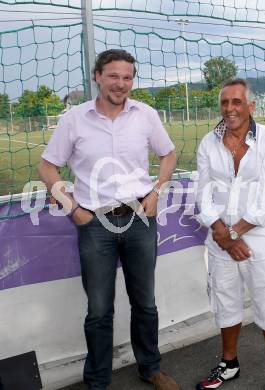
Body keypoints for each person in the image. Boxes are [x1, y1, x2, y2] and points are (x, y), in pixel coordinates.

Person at [38, 49, 179, 390]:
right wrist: (72, 208)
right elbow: (47, 167)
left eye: (127, 77)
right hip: (95, 224)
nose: (121, 84)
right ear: (97, 77)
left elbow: (168, 154)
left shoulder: (145, 114)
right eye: (113, 76)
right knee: (99, 310)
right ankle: (98, 380)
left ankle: (150, 368)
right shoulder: (74, 119)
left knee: (144, 302)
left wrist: (156, 192)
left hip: (139, 220)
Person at [195, 79, 265, 390]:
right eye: (225, 103)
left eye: (237, 102)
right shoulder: (209, 142)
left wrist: (234, 233)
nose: (230, 109)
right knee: (225, 302)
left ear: (250, 106)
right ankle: (229, 364)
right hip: (220, 241)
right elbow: (203, 194)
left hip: (258, 242)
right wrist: (222, 235)